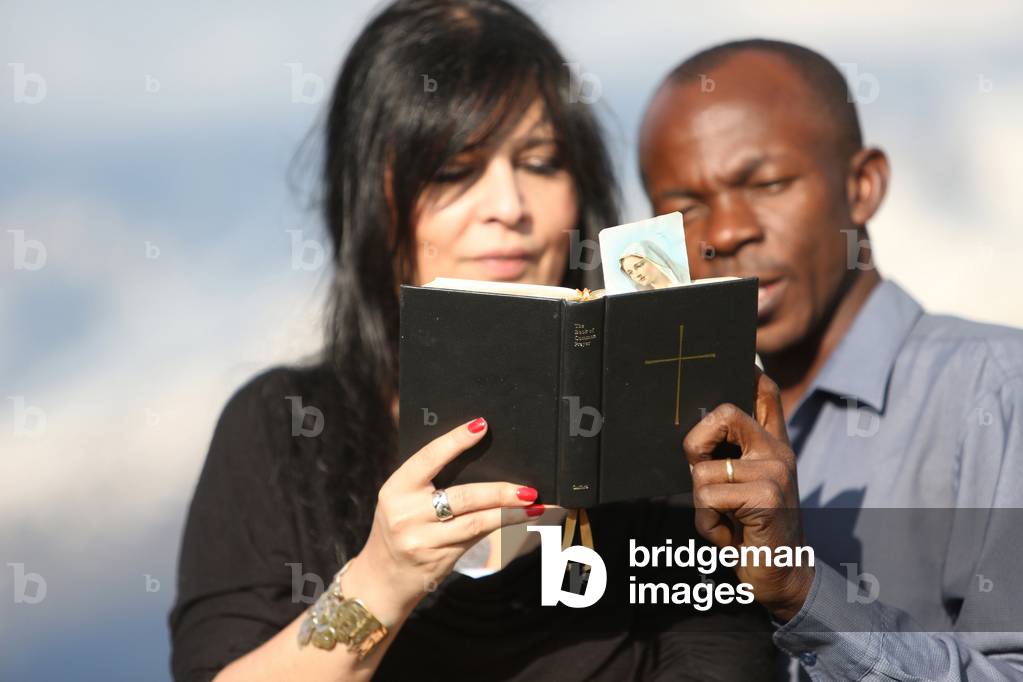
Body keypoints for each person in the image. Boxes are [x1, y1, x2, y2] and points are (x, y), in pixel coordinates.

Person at [168, 3, 776, 681]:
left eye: (541, 163)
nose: (508, 206)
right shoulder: (281, 428)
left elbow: (726, 656)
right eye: (455, 170)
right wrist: (380, 579)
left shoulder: (662, 414)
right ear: (371, 197)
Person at [640, 39, 1023, 680]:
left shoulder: (995, 390)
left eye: (766, 184)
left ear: (862, 185)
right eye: (685, 209)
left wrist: (801, 589)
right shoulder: (675, 434)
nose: (727, 231)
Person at [619, 240, 687, 290]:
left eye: (639, 266)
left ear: (654, 259)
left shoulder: (686, 282)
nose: (636, 275)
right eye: (630, 272)